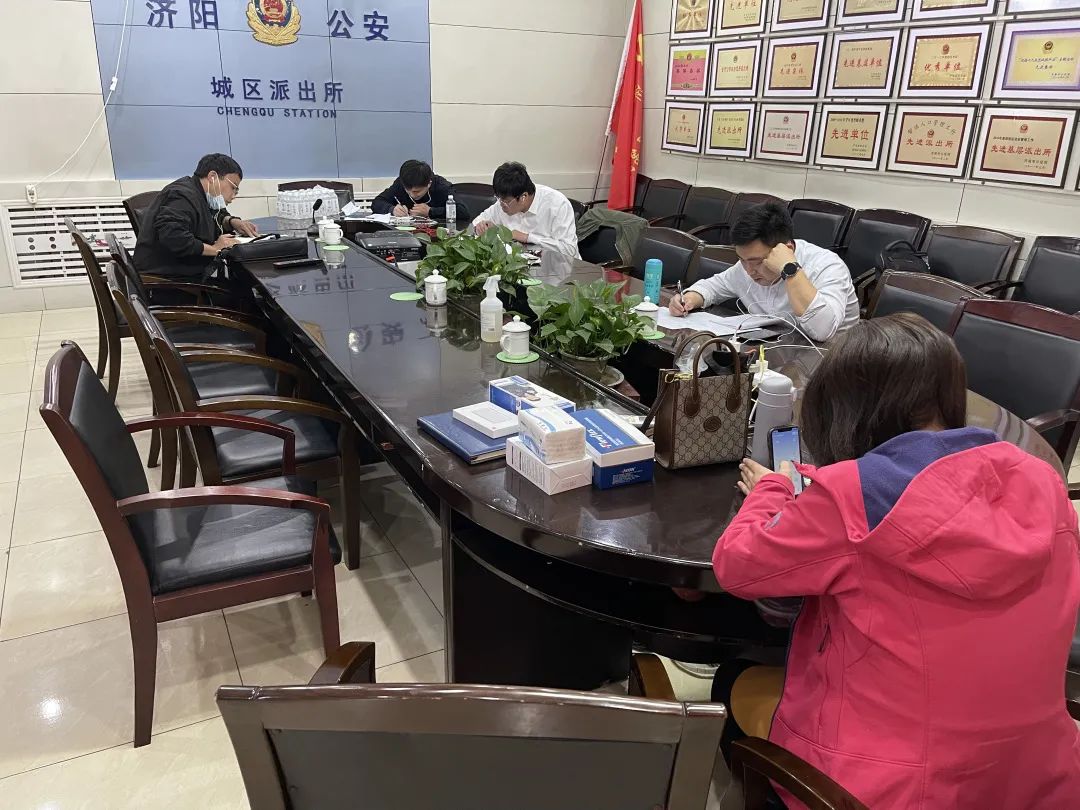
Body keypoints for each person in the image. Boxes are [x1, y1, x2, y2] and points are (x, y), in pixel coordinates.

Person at [711, 314, 1080, 809]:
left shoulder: (852, 497)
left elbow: (735, 564)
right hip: (1034, 779)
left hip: (891, 791)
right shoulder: (1042, 482)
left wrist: (774, 488)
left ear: (843, 409)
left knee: (733, 677)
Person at [669, 203, 858, 342]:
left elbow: (823, 331)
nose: (749, 271)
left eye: (758, 262)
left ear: (787, 249)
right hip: (778, 350)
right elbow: (713, 287)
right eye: (742, 260)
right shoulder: (746, 266)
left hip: (832, 361)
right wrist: (689, 298)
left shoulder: (827, 266)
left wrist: (790, 268)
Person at [133, 153, 259, 279]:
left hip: (187, 270)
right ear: (212, 177)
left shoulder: (202, 194)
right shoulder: (182, 195)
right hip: (169, 278)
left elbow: (215, 215)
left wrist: (231, 222)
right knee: (242, 283)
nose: (234, 195)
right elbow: (173, 236)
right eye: (233, 187)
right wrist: (215, 249)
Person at [473, 162, 580, 259]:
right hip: (521, 264)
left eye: (506, 201)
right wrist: (482, 226)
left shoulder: (557, 205)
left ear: (523, 196)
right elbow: (478, 221)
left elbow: (569, 249)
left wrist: (527, 237)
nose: (501, 204)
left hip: (560, 267)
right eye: (499, 198)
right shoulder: (505, 200)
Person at [370, 159, 456, 219]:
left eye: (417, 191)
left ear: (429, 184)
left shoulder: (441, 186)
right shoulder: (401, 183)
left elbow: (461, 210)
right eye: (407, 190)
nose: (411, 194)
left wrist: (430, 211)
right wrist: (392, 209)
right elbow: (377, 202)